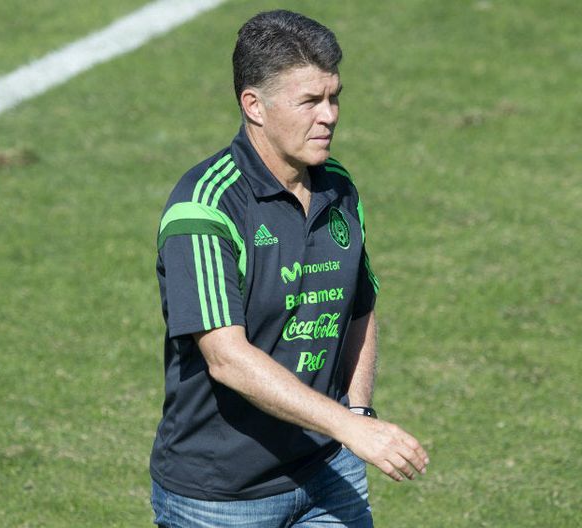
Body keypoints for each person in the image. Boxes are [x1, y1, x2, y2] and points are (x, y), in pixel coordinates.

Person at [149, 10, 428, 527]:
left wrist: (358, 413)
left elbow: (359, 306)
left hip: (328, 472)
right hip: (222, 499)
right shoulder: (205, 208)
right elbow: (227, 359)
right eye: (310, 101)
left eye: (334, 97)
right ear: (254, 106)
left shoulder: (337, 185)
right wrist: (348, 426)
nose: (329, 116)